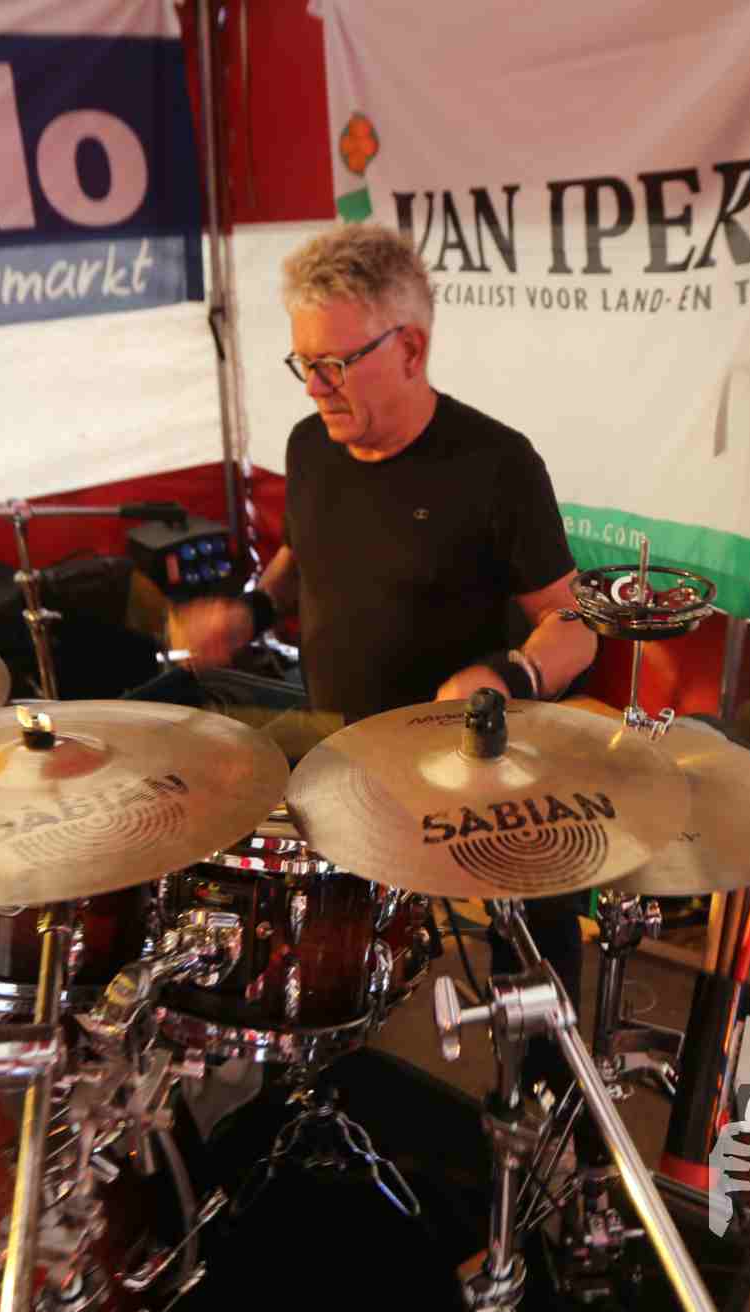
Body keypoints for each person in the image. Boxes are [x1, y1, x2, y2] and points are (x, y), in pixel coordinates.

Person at [169, 222, 600, 1126]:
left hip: (467, 766)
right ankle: (298, 1080)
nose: (315, 386)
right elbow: (302, 558)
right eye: (304, 363)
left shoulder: (496, 464)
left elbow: (577, 623)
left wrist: (510, 673)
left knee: (547, 897)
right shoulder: (310, 445)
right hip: (343, 748)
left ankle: (549, 1103)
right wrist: (250, 611)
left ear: (410, 348)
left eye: (334, 363)